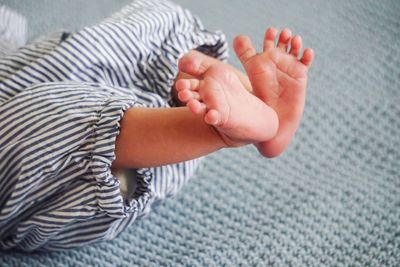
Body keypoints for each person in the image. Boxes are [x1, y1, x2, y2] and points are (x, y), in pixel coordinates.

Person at [0, 0, 313, 251]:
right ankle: (221, 127)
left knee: (134, 31)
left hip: (52, 73)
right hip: (61, 170)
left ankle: (251, 104)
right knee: (46, 121)